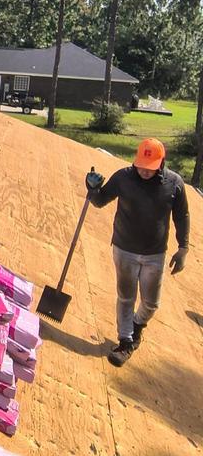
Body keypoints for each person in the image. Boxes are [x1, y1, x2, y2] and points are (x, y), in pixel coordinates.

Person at [85, 138, 190, 367]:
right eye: (141, 164)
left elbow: (181, 216)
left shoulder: (175, 184)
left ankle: (137, 325)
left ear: (161, 163)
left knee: (151, 304)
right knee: (126, 297)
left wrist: (183, 248)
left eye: (149, 167)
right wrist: (93, 189)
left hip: (155, 254)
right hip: (124, 250)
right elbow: (101, 200)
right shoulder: (124, 177)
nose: (143, 171)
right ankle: (126, 341)